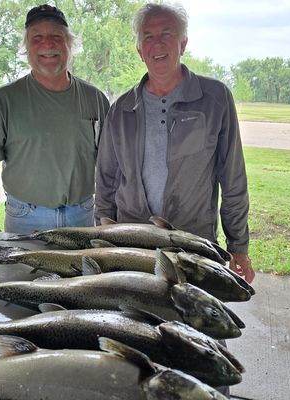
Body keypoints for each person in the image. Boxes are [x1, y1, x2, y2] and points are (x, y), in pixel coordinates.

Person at [95, 2, 255, 286]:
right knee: (135, 324)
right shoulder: (120, 109)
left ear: (183, 43)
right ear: (139, 50)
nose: (157, 43)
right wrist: (103, 235)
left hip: (192, 244)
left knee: (193, 324)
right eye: (148, 37)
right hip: (132, 244)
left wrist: (238, 245)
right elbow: (106, 179)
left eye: (166, 34)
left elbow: (232, 178)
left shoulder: (215, 99)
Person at [0, 4, 109, 234]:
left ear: (70, 45)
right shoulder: (3, 100)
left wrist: (107, 217)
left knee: (82, 272)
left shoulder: (95, 98)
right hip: (25, 219)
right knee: (21, 272)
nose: (48, 43)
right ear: (26, 48)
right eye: (37, 37)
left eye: (57, 36)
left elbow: (110, 167)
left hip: (82, 216)